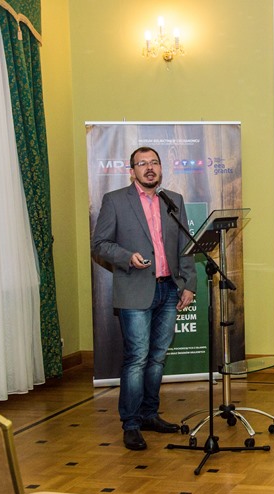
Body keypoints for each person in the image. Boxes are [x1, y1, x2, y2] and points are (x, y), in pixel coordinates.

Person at [91, 146, 197, 451]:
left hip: (169, 289)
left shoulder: (173, 200)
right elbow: (99, 244)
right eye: (142, 163)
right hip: (134, 289)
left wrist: (188, 284)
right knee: (137, 358)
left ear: (161, 168)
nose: (149, 168)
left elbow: (185, 246)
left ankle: (150, 414)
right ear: (132, 171)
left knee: (157, 357)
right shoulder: (115, 200)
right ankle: (132, 424)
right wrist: (126, 256)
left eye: (154, 163)